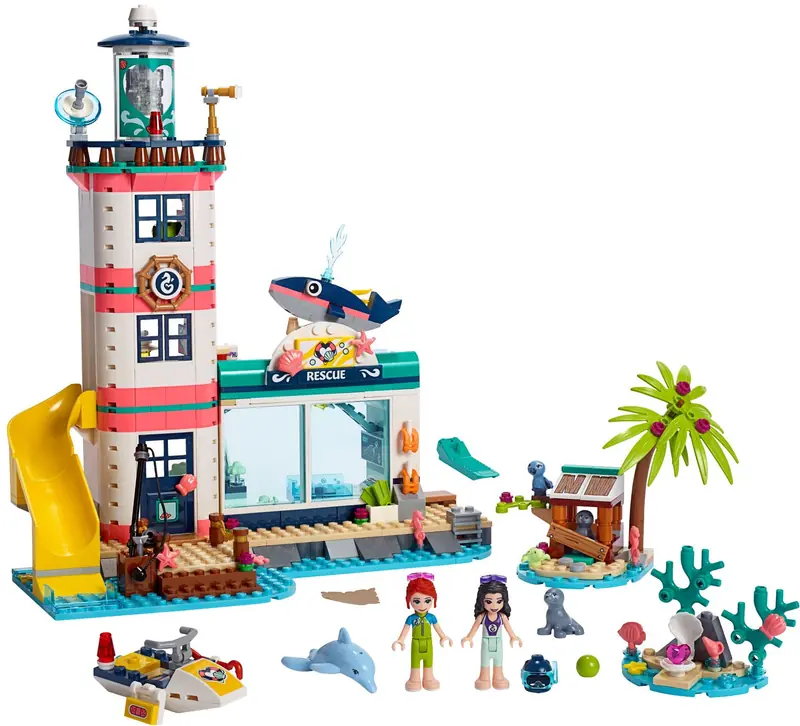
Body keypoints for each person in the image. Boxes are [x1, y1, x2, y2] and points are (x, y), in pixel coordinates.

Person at [392, 572, 453, 691]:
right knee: (415, 661)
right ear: (409, 600)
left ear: (433, 599)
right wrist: (400, 640)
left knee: (428, 661)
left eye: (427, 600)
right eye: (417, 601)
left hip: (428, 643)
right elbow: (405, 631)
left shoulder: (431, 617)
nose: (422, 605)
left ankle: (428, 679)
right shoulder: (411, 618)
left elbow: (438, 629)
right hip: (416, 643)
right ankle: (414, 680)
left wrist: (443, 637)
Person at [461, 574, 522, 690]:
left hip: (498, 643)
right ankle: (484, 678)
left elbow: (509, 629)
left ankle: (498, 678)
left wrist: (513, 637)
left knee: (498, 661)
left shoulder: (502, 616)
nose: (494, 606)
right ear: (482, 601)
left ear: (504, 601)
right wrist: (469, 637)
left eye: (499, 601)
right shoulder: (482, 617)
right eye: (489, 602)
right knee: (484, 661)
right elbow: (474, 628)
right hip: (486, 642)